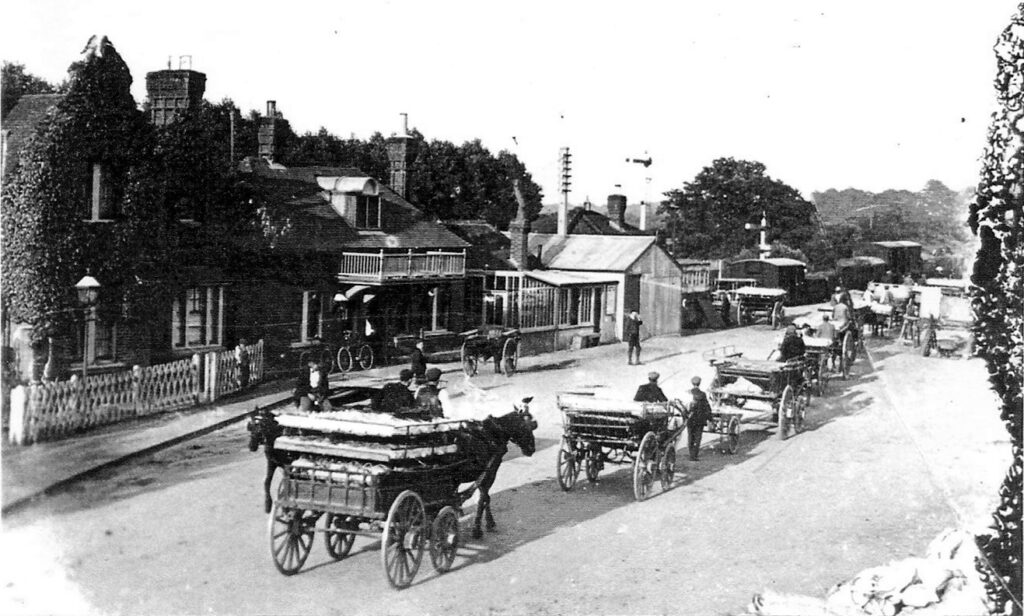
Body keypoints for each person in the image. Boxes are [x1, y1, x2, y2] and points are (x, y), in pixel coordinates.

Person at [686, 376, 713, 461]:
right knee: (698, 437)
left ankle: (690, 454)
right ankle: (694, 455)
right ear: (699, 383)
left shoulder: (688, 393)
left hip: (690, 419)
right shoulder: (702, 394)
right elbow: (706, 407)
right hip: (699, 420)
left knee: (690, 436)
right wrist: (710, 418)